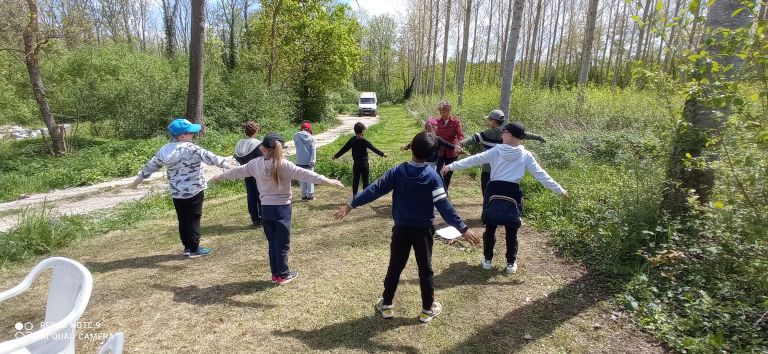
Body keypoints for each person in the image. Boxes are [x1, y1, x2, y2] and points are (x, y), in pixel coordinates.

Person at [334, 132, 481, 323]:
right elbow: (444, 207)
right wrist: (463, 228)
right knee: (425, 269)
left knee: (395, 266)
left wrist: (351, 205)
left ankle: (386, 305)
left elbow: (374, 189)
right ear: (432, 155)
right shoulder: (433, 177)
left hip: (401, 229)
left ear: (411, 148)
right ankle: (427, 309)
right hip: (424, 231)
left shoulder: (398, 171)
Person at [211, 133, 344, 285]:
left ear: (262, 148)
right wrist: (328, 180)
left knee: (273, 242)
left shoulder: (255, 163)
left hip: (265, 209)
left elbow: (237, 171)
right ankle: (283, 275)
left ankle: (276, 274)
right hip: (282, 209)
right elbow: (306, 174)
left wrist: (218, 176)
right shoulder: (284, 164)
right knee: (282, 244)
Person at [441, 123, 567, 274]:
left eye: (504, 132)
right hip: (513, 192)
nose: (501, 135)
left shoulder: (496, 151)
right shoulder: (526, 155)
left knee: (490, 227)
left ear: (511, 135)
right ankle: (511, 263)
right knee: (512, 229)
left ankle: (487, 260)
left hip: (493, 189)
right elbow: (541, 175)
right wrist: (559, 190)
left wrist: (451, 166)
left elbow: (474, 160)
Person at [130, 118, 232, 258]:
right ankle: (195, 249)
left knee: (183, 219)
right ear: (182, 136)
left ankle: (187, 247)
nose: (193, 135)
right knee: (194, 218)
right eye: (191, 133)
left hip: (177, 192)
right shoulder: (192, 148)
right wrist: (230, 166)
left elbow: (152, 165)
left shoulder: (165, 150)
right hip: (194, 190)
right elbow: (212, 158)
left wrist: (139, 179)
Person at [458, 110, 546, 195]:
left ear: (494, 122)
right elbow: (527, 135)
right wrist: (540, 138)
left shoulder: (487, 133)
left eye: (489, 120)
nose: (488, 122)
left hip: (487, 170)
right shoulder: (510, 133)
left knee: (487, 195)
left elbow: (472, 138)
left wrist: (460, 144)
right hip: (504, 171)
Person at [332, 122, 387, 196]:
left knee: (356, 180)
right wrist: (383, 154)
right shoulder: (364, 141)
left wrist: (336, 156)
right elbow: (373, 148)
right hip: (364, 164)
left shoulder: (352, 140)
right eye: (364, 130)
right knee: (365, 181)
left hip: (356, 164)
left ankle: (355, 196)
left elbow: (344, 149)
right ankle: (365, 197)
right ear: (362, 131)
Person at [234, 120, 263, 227]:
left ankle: (255, 219)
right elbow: (261, 159)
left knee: (251, 195)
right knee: (260, 194)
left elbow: (236, 156)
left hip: (246, 172)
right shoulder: (258, 144)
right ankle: (263, 217)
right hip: (258, 173)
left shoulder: (240, 143)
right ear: (256, 130)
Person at [433, 101, 464, 191]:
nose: (443, 114)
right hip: (439, 151)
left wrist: (460, 145)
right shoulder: (437, 121)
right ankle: (441, 190)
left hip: (452, 151)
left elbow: (460, 135)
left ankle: (445, 192)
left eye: (445, 111)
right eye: (441, 112)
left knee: (448, 173)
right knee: (437, 171)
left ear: (449, 111)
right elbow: (433, 133)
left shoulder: (455, 121)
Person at [293, 121, 317, 201]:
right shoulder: (311, 138)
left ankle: (304, 196)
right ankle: (310, 196)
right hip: (309, 161)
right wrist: (313, 161)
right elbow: (313, 150)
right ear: (309, 129)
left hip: (299, 161)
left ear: (301, 128)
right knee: (310, 178)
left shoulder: (296, 136)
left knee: (302, 179)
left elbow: (296, 145)